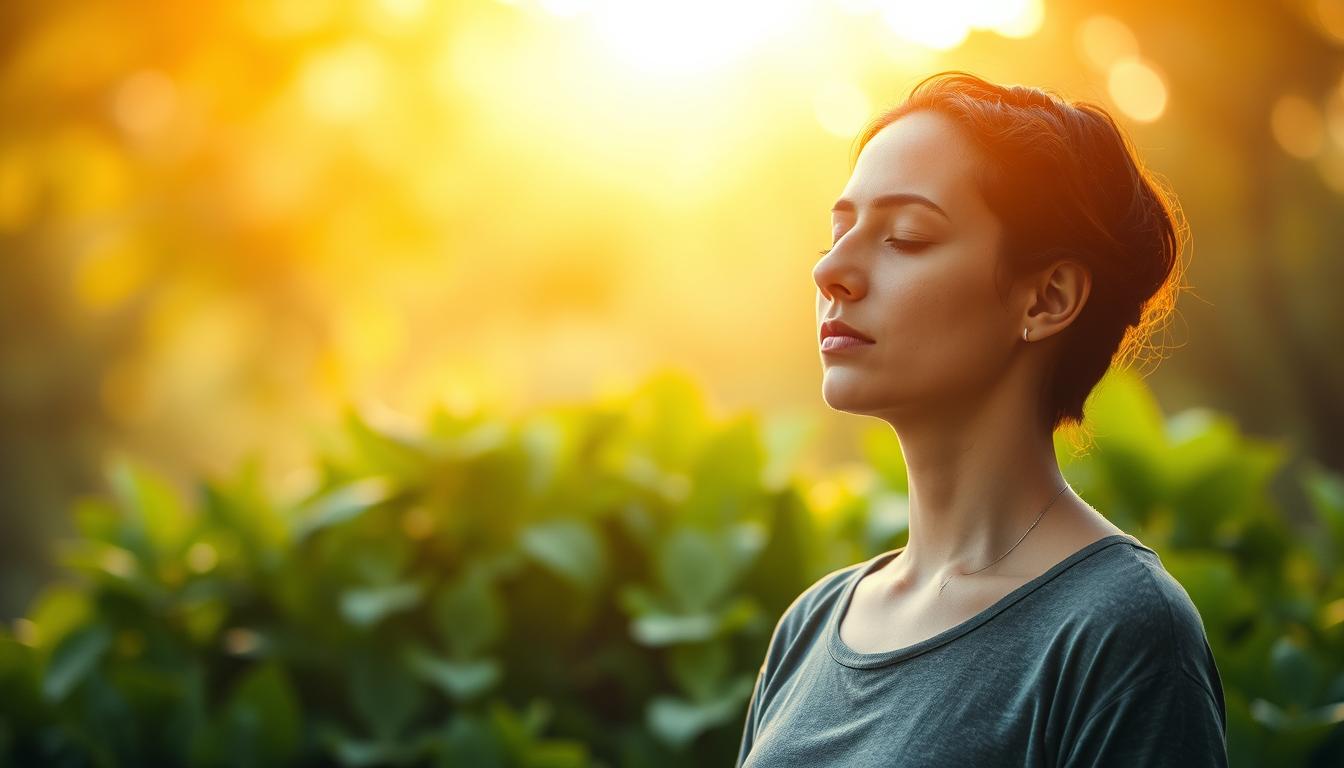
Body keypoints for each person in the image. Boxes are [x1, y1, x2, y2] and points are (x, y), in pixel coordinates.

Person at [735, 71, 1228, 767]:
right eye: (839, 232)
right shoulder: (810, 627)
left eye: (905, 237)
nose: (831, 272)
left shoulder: (1120, 631)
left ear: (1047, 299)